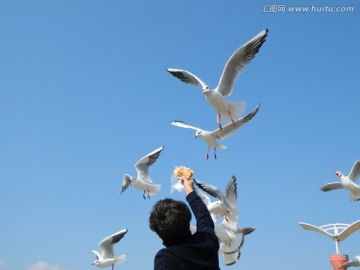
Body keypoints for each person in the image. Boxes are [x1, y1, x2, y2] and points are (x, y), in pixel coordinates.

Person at [149, 177, 220, 270]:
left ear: (159, 232)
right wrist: (189, 189)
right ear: (187, 217)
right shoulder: (207, 241)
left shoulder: (167, 258)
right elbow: (204, 217)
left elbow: (204, 218)